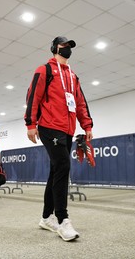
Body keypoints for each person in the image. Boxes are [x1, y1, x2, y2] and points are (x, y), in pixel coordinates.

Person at [24, 36, 93, 241]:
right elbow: (33, 97)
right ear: (55, 48)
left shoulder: (73, 76)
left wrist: (87, 125)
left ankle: (46, 217)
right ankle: (63, 220)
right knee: (63, 165)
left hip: (67, 128)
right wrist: (30, 124)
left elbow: (80, 102)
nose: (67, 49)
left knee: (56, 170)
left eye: (69, 47)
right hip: (48, 125)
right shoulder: (44, 70)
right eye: (63, 46)